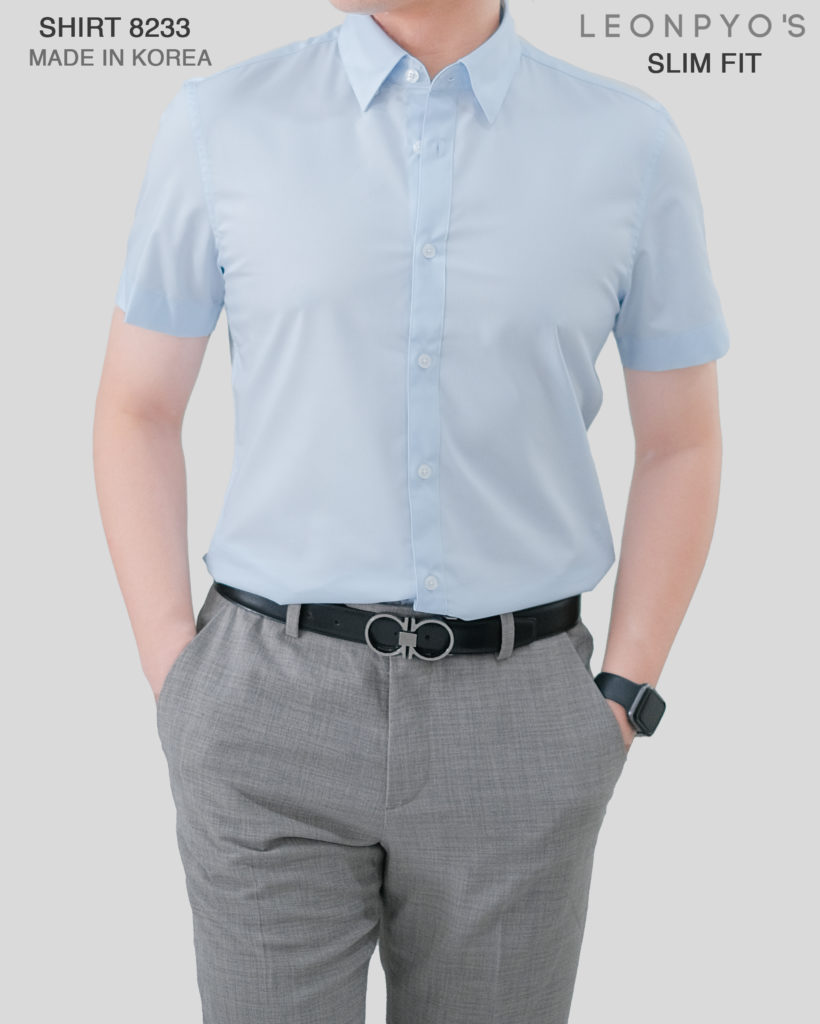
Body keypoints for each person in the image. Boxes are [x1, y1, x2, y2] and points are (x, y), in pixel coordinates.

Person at [93, 0, 729, 1020]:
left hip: (521, 719)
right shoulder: (221, 122)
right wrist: (180, 677)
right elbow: (137, 407)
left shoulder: (630, 145)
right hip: (264, 707)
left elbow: (681, 441)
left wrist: (621, 693)